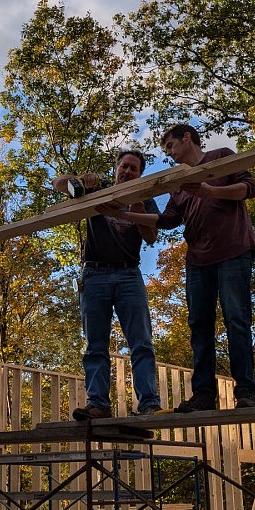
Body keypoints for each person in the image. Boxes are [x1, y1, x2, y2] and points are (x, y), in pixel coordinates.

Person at [102, 124, 255, 411]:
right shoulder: (178, 184)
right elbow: (166, 221)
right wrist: (125, 214)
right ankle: (203, 395)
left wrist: (210, 190)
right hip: (198, 261)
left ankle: (246, 392)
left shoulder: (221, 157)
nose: (170, 154)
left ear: (187, 138)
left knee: (237, 321)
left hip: (233, 252)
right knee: (199, 328)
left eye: (171, 147)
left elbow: (249, 189)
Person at [53, 149, 163, 420]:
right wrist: (80, 180)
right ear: (116, 169)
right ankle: (98, 404)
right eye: (124, 167)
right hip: (95, 274)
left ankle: (149, 403)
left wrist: (136, 204)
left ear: (140, 174)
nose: (127, 172)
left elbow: (150, 236)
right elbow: (58, 183)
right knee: (95, 345)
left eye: (133, 169)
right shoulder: (97, 191)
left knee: (141, 342)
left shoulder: (145, 199)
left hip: (128, 275)